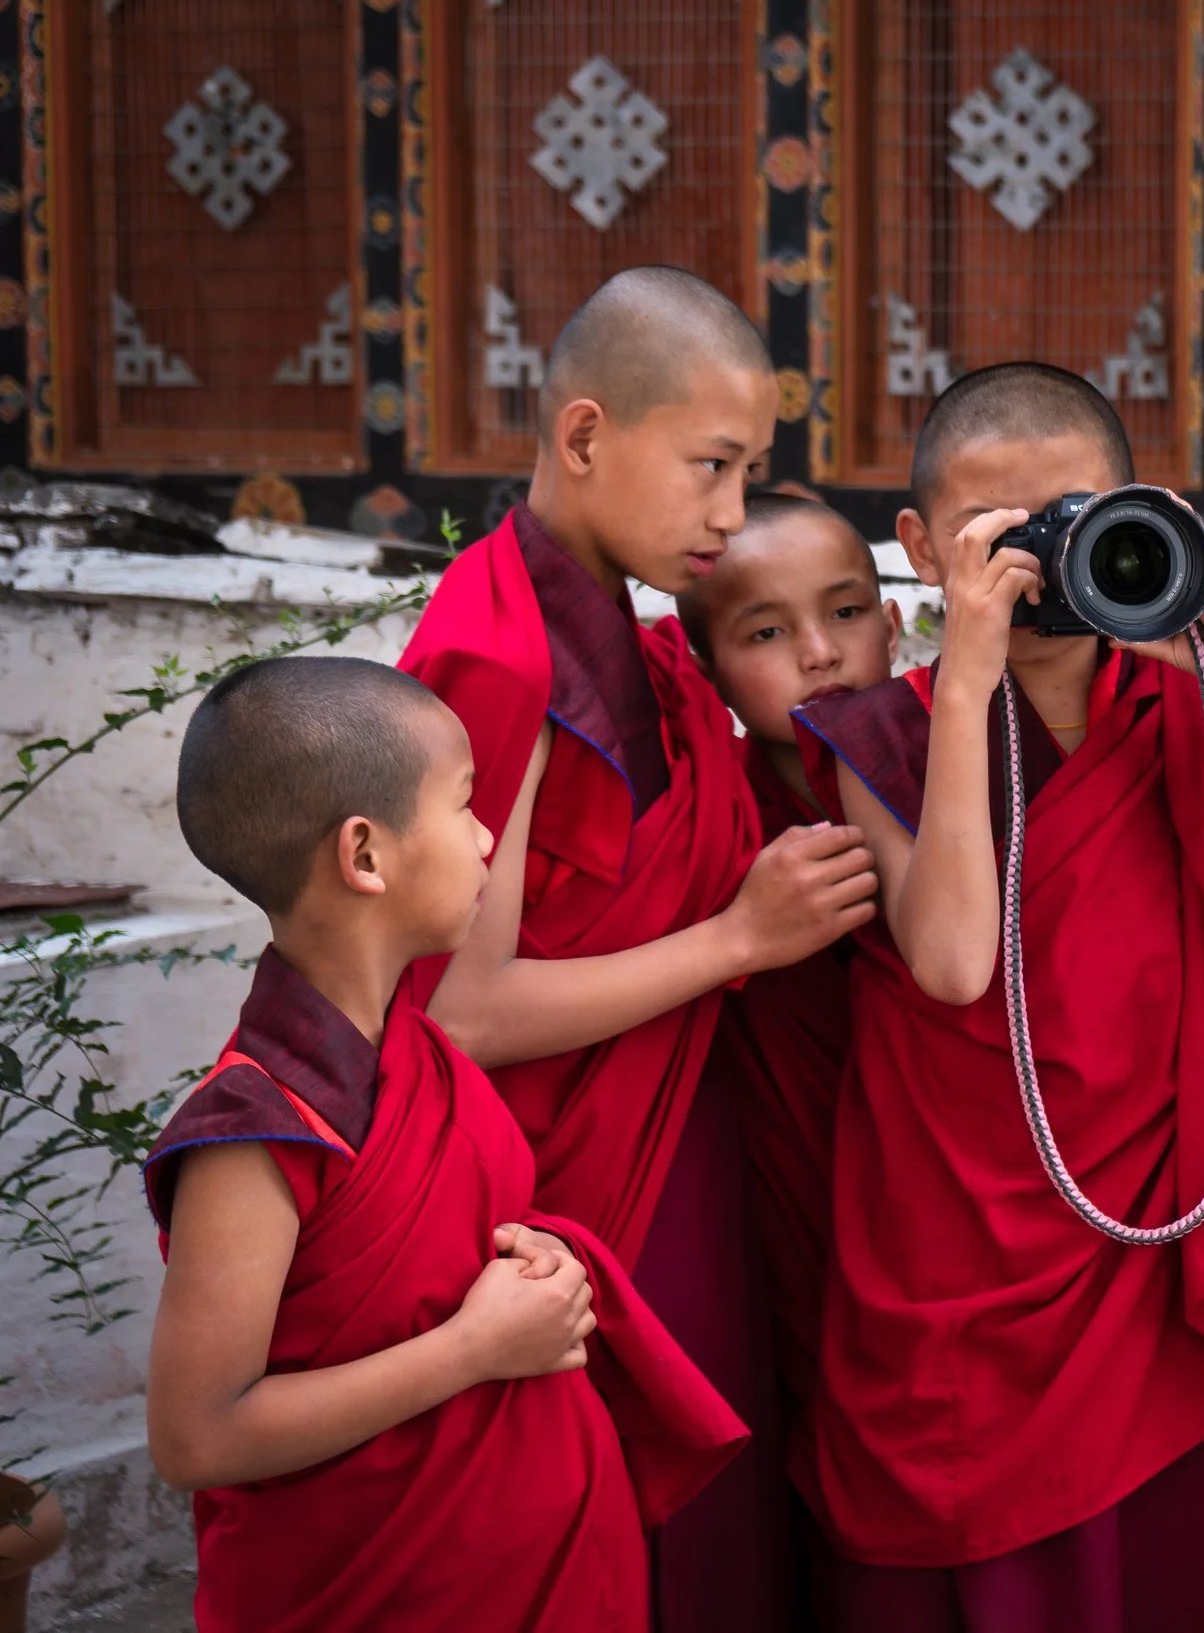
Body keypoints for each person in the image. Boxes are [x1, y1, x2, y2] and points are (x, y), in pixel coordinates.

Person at [792, 362, 1204, 1628]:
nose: (1036, 565)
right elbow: (956, 962)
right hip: (963, 1260)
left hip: (1162, 1275)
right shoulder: (886, 735)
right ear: (921, 546)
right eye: (996, 537)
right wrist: (966, 682)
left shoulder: (1195, 720)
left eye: (1067, 522)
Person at [397, 267, 877, 1628]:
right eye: (712, 467)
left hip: (678, 1136)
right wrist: (741, 936)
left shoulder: (635, 640)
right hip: (575, 1187)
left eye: (753, 472)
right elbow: (463, 1010)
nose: (731, 513)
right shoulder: (502, 657)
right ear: (588, 435)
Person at [145, 656, 745, 1633]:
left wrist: (534, 1256)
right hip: (382, 1585)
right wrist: (471, 1348)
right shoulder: (253, 1134)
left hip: (524, 1554)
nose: (484, 837)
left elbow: (457, 1238)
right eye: (465, 806)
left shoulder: (412, 1046)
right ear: (365, 855)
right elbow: (197, 1435)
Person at [673, 490, 901, 1556]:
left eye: (847, 612)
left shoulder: (964, 771)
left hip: (941, 1177)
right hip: (780, 1171)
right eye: (766, 631)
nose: (820, 653)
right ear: (708, 669)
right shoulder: (700, 809)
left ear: (895, 624)